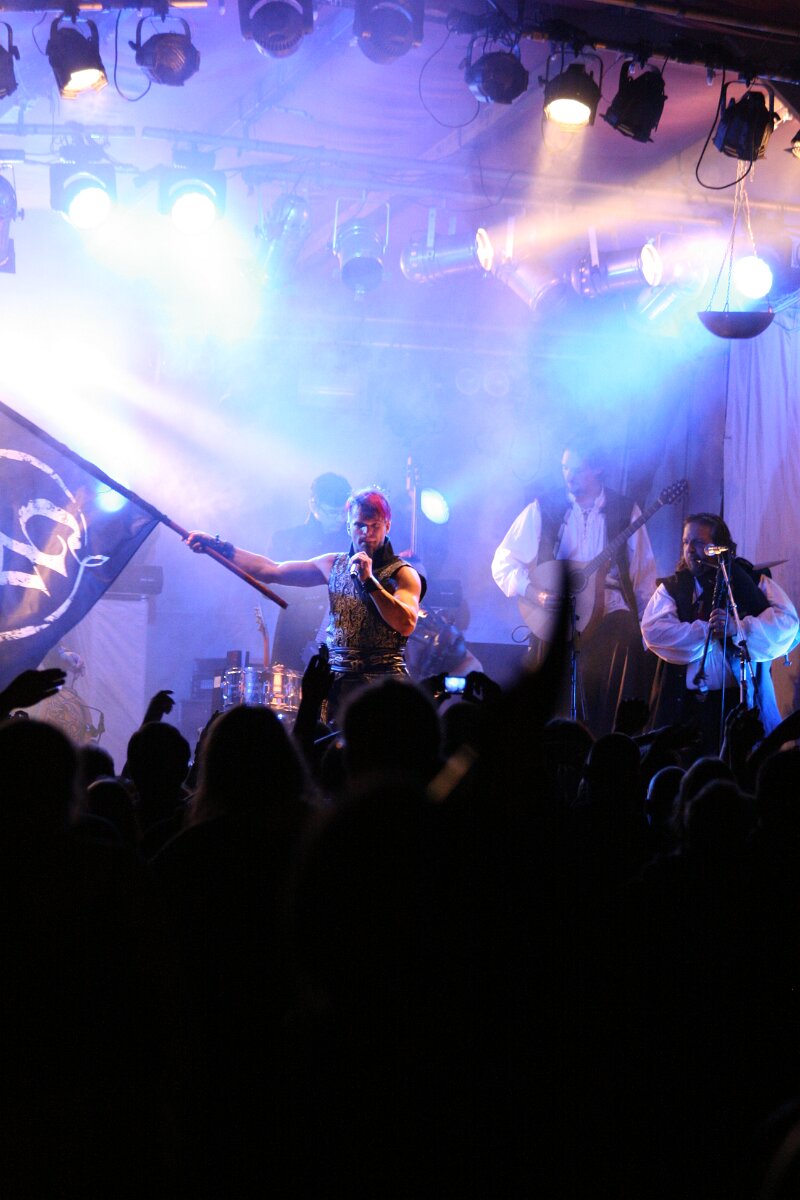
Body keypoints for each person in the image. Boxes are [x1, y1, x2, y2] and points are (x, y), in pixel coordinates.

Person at [187, 487, 424, 722]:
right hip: (338, 687)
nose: (367, 533)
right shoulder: (333, 564)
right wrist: (218, 547)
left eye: (375, 526)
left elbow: (406, 623)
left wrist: (369, 582)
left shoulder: (402, 573)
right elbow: (271, 570)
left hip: (384, 687)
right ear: (348, 526)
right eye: (360, 525)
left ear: (387, 526)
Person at [491, 441, 658, 735]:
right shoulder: (544, 508)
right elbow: (503, 562)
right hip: (556, 612)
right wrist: (534, 593)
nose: (569, 476)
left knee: (623, 642)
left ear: (598, 469)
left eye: (577, 469)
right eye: (565, 468)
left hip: (609, 613)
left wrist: (647, 628)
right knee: (548, 677)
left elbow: (643, 575)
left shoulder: (624, 510)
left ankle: (607, 742)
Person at [641, 512, 799, 757]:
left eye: (699, 542)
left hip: (741, 702)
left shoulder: (750, 580)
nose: (690, 550)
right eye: (686, 542)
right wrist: (706, 631)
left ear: (719, 546)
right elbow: (655, 631)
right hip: (691, 706)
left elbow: (788, 624)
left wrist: (739, 628)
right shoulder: (673, 587)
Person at [267, 472, 352, 671]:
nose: (340, 519)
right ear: (313, 505)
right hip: (294, 637)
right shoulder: (286, 540)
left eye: (344, 512)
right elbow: (268, 586)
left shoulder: (354, 542)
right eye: (333, 512)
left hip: (340, 641)